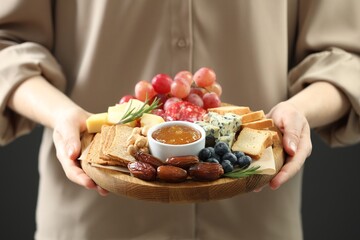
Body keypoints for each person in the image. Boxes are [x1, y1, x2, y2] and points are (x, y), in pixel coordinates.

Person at [1, 0, 359, 239]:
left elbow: (344, 55)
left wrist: (301, 111)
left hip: (254, 218)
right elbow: (8, 45)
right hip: (93, 219)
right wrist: (61, 114)